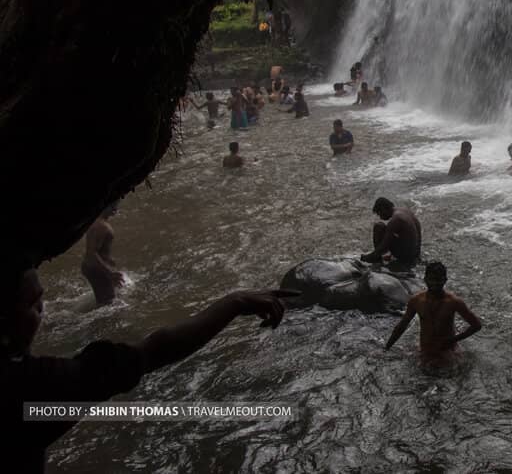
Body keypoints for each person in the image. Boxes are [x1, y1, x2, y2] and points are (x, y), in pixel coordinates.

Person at [2, 252, 296, 473]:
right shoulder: (32, 387)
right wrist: (236, 302)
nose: (42, 310)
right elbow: (154, 350)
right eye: (32, 303)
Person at [384, 261, 482, 365]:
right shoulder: (416, 301)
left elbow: (476, 325)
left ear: (445, 280)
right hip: (425, 350)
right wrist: (386, 348)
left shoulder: (454, 302)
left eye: (439, 280)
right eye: (432, 280)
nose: (435, 284)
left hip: (447, 352)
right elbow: (402, 326)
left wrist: (453, 340)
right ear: (425, 279)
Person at [80, 203, 124, 306]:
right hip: (97, 269)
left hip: (96, 268)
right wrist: (109, 273)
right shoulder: (101, 226)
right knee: (108, 304)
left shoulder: (97, 222)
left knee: (107, 301)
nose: (115, 208)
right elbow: (91, 254)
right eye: (111, 205)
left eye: (116, 204)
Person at [361, 198, 421, 267]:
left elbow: (384, 246)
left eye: (379, 214)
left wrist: (369, 257)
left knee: (378, 226)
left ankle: (376, 259)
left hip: (406, 257)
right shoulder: (405, 211)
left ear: (383, 209)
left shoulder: (395, 220)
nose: (380, 217)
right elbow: (408, 236)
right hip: (415, 254)